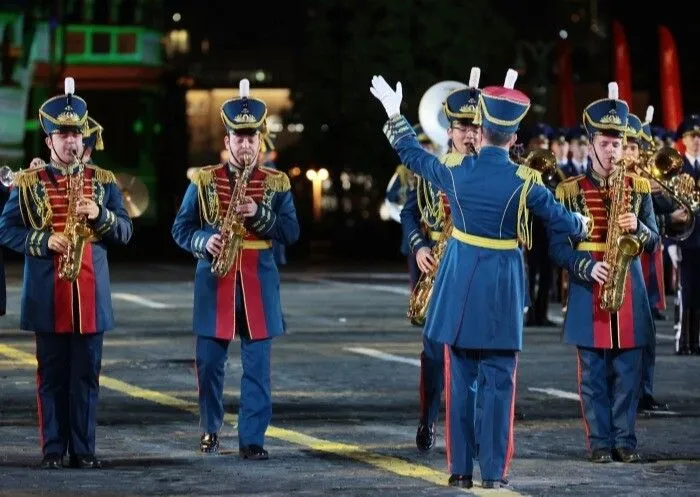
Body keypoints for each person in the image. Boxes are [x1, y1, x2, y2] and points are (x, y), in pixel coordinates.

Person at [370, 69, 587, 489]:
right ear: (513, 135)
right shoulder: (525, 181)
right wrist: (579, 222)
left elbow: (413, 155)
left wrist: (395, 114)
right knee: (499, 386)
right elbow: (564, 222)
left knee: (461, 379)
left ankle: (459, 471)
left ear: (482, 129)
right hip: (503, 285)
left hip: (459, 280)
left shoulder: (455, 169)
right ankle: (494, 472)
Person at [0, 77, 133, 469]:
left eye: (76, 134)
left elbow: (125, 232)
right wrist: (43, 241)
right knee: (51, 378)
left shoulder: (104, 182)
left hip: (90, 296)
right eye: (63, 135)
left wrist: (101, 215)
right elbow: (5, 229)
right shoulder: (29, 183)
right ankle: (53, 450)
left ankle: (85, 449)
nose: (72, 142)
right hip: (47, 294)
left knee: (87, 378)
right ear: (49, 141)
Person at [171, 79, 300, 460]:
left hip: (258, 283)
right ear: (226, 142)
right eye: (238, 139)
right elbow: (181, 228)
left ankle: (252, 438)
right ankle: (211, 427)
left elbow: (291, 232)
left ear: (260, 142)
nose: (245, 145)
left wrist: (260, 214)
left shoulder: (276, 183)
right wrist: (202, 242)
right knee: (210, 365)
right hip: (215, 281)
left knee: (257, 368)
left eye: (251, 138)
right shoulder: (204, 179)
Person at [550, 83, 659, 463]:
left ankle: (625, 442)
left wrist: (639, 230)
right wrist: (585, 265)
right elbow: (557, 247)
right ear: (591, 143)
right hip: (588, 288)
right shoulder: (569, 191)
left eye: (618, 144)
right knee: (593, 376)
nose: (613, 151)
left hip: (629, 287)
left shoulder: (639, 188)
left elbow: (655, 238)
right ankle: (599, 442)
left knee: (629, 373)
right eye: (606, 143)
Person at [401, 67, 482, 453]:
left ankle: (469, 427)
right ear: (449, 130)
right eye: (462, 127)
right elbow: (408, 214)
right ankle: (428, 418)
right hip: (437, 267)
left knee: (475, 355)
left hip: (475, 272)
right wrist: (418, 247)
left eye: (475, 128)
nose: (469, 134)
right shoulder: (431, 171)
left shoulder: (489, 172)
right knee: (434, 355)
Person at [675, 114, 700, 355]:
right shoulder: (678, 166)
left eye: (699, 136)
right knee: (687, 292)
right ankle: (684, 341)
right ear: (683, 139)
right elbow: (669, 206)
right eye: (692, 136)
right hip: (686, 239)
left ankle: (697, 341)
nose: (696, 140)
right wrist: (671, 243)